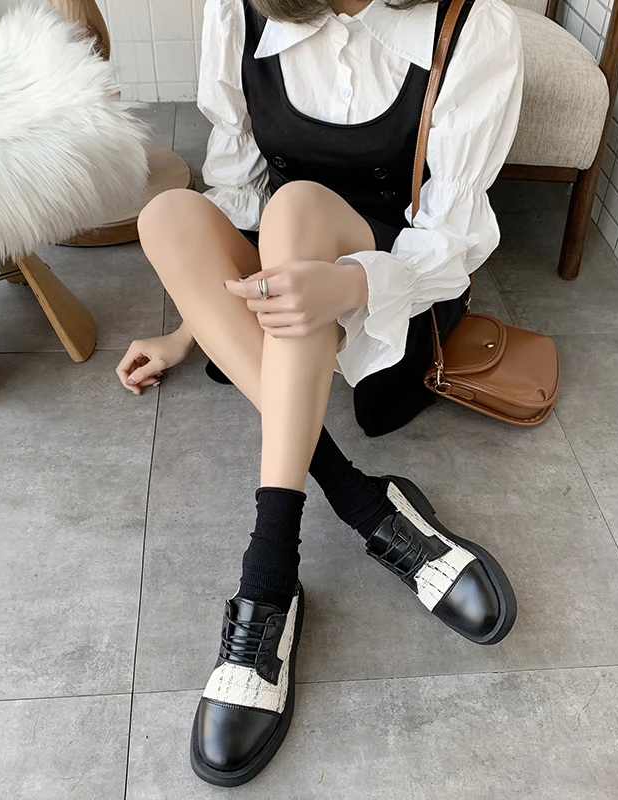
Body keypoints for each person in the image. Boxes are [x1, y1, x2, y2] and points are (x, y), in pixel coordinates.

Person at [117, 0, 523, 786]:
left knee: (297, 207)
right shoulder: (238, 12)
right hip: (282, 289)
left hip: (393, 289)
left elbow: (453, 245)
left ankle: (267, 579)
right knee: (168, 215)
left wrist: (344, 285)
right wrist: (187, 332)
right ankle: (363, 501)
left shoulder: (474, 24)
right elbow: (236, 204)